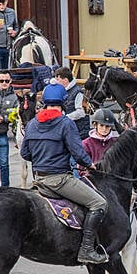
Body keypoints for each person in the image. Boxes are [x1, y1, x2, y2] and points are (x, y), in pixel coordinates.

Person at [20, 83, 107, 264]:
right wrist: (90, 164)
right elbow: (78, 152)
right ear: (63, 104)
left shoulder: (33, 123)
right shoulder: (65, 123)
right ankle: (87, 249)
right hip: (59, 180)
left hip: (39, 179)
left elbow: (25, 154)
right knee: (99, 202)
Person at [79, 108, 120, 175]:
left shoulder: (116, 142)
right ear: (95, 125)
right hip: (93, 179)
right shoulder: (86, 144)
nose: (104, 129)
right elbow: (82, 169)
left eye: (107, 126)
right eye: (101, 125)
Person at [53, 67, 89, 139]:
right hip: (68, 130)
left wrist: (65, 118)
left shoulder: (78, 92)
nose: (56, 82)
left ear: (65, 80)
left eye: (58, 80)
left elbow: (81, 112)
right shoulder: (62, 91)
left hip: (79, 132)